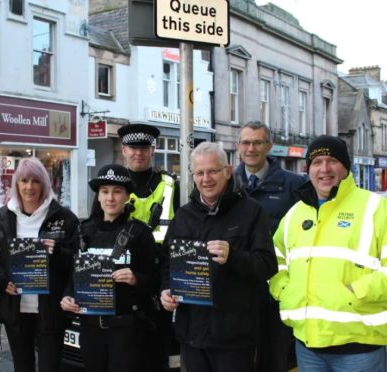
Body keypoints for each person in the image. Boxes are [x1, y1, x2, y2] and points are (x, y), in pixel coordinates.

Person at [270, 135, 387, 372]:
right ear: (308, 168)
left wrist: (361, 290)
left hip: (359, 345)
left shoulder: (376, 208)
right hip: (308, 344)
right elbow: (275, 257)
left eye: (332, 160)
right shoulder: (295, 214)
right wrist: (284, 289)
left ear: (346, 167)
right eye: (317, 162)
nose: (324, 169)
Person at [160, 141, 277, 372]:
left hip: (234, 337)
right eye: (200, 173)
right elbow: (167, 263)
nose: (206, 179)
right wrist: (165, 290)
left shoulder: (252, 212)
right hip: (192, 334)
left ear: (227, 171)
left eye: (213, 171)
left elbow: (267, 265)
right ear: (192, 176)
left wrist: (233, 256)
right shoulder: (183, 215)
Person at [0, 157, 80, 372]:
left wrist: (56, 253)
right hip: (15, 310)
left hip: (50, 311)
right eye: (24, 181)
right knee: (23, 366)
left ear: (44, 184)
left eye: (36, 181)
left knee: (50, 367)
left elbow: (76, 262)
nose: (30, 187)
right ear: (16, 184)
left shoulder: (64, 218)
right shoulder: (3, 219)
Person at [61, 164, 157, 372]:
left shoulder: (140, 233)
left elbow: (155, 280)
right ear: (98, 196)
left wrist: (136, 278)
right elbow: (73, 276)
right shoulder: (83, 232)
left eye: (117, 192)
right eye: (105, 192)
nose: (110, 198)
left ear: (127, 196)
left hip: (127, 329)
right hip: (90, 328)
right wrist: (68, 296)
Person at [234, 120, 306, 371]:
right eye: (246, 142)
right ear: (238, 146)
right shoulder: (226, 183)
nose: (251, 148)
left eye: (257, 142)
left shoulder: (294, 185)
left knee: (276, 355)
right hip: (239, 284)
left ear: (269, 146)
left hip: (277, 285)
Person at [118, 123, 179, 371]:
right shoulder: (113, 185)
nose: (138, 153)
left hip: (158, 281)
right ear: (124, 150)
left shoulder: (170, 184)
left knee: (157, 354)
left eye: (144, 148)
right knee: (124, 354)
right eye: (133, 148)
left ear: (153, 150)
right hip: (124, 281)